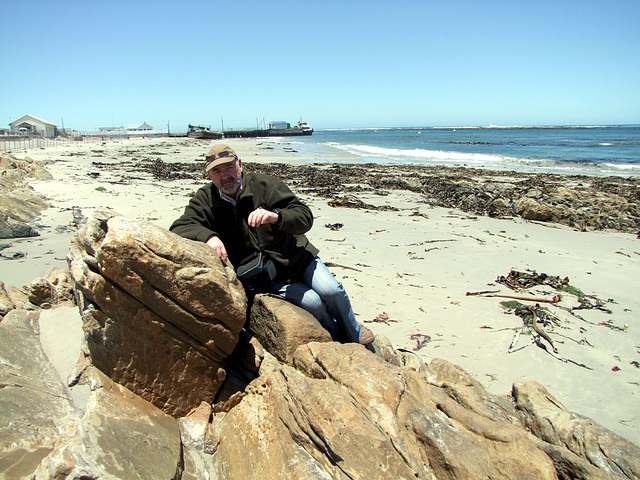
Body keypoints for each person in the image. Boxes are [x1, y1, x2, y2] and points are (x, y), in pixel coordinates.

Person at [170, 144, 375, 346]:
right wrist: (208, 237)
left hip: (298, 258)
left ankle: (354, 332)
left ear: (239, 164)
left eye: (228, 168)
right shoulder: (206, 199)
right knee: (313, 303)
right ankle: (339, 337)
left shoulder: (264, 186)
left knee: (332, 292)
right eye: (217, 171)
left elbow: (305, 217)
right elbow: (180, 226)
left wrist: (276, 217)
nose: (225, 176)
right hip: (266, 276)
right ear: (209, 176)